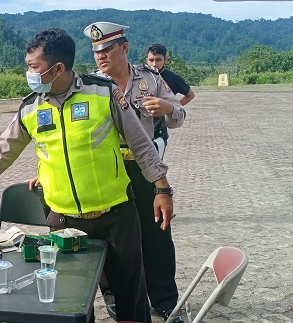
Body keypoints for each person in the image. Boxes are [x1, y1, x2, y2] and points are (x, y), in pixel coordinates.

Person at [0, 28, 175, 323]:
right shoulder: (30, 108)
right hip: (63, 224)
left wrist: (162, 189)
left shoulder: (103, 93)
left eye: (33, 67)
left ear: (57, 68)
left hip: (116, 217)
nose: (29, 73)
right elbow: (0, 156)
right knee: (71, 301)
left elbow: (141, 144)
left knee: (130, 301)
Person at [84, 23, 186, 323]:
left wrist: (167, 106)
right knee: (111, 238)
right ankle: (116, 299)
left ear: (124, 48)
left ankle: (165, 301)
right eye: (95, 52)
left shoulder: (151, 79)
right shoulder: (89, 84)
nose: (100, 56)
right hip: (106, 170)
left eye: (106, 49)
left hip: (143, 169)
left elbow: (180, 116)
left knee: (157, 235)